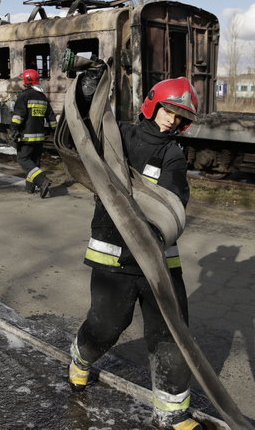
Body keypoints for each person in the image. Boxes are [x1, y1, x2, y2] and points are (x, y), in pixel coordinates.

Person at [68, 76, 204, 430]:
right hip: (114, 254)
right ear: (153, 104)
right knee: (107, 324)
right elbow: (81, 134)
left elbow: (176, 202)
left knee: (171, 332)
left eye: (179, 115)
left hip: (159, 259)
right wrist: (86, 92)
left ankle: (171, 412)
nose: (172, 120)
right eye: (168, 110)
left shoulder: (173, 154)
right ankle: (81, 358)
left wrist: (159, 230)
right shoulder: (122, 136)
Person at [11, 68, 57, 198]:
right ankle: (30, 188)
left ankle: (42, 181)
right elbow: (51, 117)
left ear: (26, 81)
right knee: (34, 162)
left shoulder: (24, 96)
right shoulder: (43, 97)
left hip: (26, 136)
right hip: (39, 137)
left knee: (23, 159)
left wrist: (14, 128)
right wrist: (55, 131)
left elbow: (18, 116)